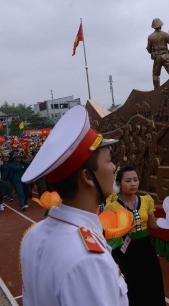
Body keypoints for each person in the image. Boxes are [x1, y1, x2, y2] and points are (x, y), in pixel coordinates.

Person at [20, 105, 128, 305]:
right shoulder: (87, 259)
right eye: (110, 161)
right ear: (88, 177)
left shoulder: (34, 234)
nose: (114, 168)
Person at [105, 165, 165, 306]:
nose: (133, 184)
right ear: (118, 184)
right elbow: (110, 234)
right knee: (132, 286)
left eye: (135, 180)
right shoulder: (112, 207)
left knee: (152, 283)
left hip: (146, 249)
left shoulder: (146, 200)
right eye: (128, 181)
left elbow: (153, 225)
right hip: (126, 252)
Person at [146, 18, 169, 89]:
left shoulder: (150, 37)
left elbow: (149, 49)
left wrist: (152, 53)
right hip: (165, 56)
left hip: (157, 57)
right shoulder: (165, 35)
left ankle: (157, 90)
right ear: (161, 26)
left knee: (155, 75)